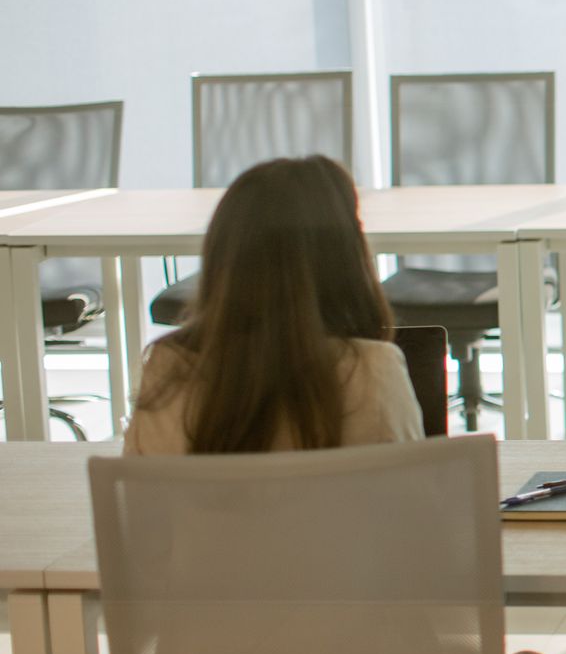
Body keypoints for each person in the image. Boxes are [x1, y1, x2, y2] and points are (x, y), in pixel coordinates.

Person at [123, 155, 423, 454]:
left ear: (223, 254)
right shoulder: (372, 371)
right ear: (345, 257)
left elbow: (138, 495)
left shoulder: (168, 369)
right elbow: (415, 493)